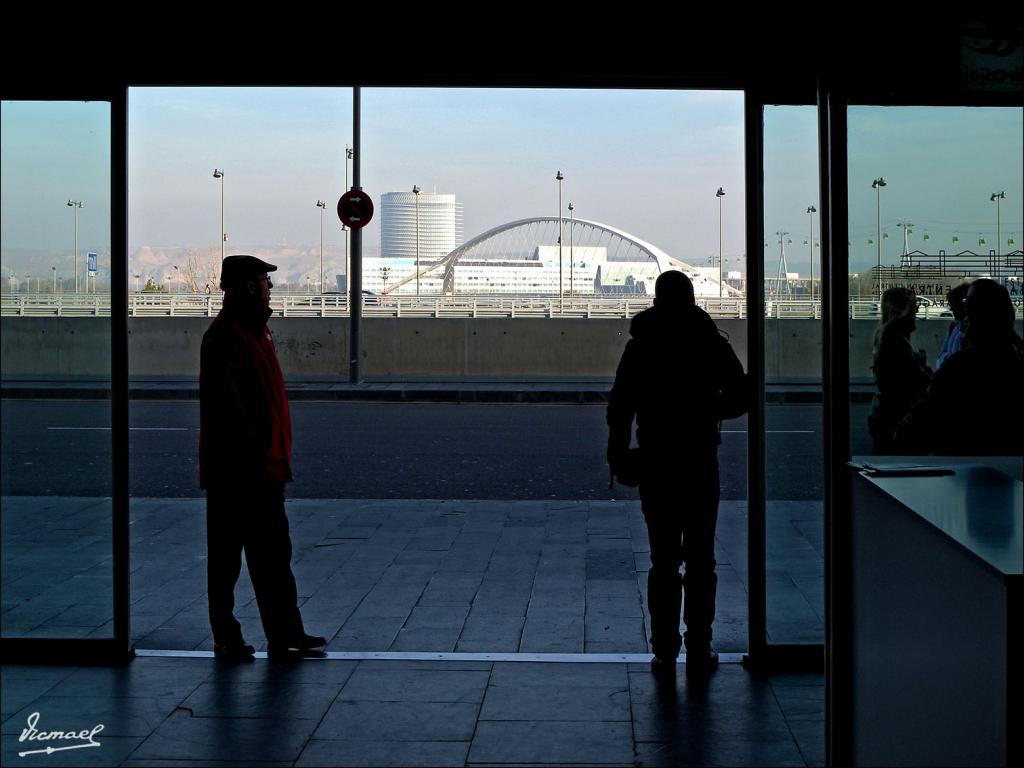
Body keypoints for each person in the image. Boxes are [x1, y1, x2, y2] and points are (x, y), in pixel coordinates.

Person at [607, 271, 747, 678]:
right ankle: (700, 647)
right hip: (700, 460)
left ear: (656, 298)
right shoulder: (709, 342)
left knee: (662, 561)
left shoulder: (641, 345)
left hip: (656, 461)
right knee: (702, 559)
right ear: (690, 297)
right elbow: (741, 395)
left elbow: (620, 407)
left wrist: (617, 455)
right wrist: (707, 411)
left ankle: (664, 649)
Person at [199, 254, 325, 661]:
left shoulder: (256, 331)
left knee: (273, 556)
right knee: (227, 561)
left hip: (263, 469)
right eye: (265, 281)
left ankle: (285, 632)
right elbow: (230, 410)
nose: (271, 287)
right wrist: (256, 458)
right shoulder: (226, 337)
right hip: (240, 472)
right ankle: (228, 637)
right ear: (249, 287)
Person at [895, 278, 1023, 455]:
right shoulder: (1015, 364)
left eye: (966, 304)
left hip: (958, 470)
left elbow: (911, 430)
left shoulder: (957, 368)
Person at [867, 286, 931, 454]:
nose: (917, 311)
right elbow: (913, 382)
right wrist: (923, 369)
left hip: (886, 415)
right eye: (914, 306)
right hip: (897, 418)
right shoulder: (896, 342)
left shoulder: (887, 336)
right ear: (903, 310)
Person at [934, 282, 969, 370]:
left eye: (953, 305)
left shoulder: (973, 331)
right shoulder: (954, 327)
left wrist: (947, 359)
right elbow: (939, 359)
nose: (951, 309)